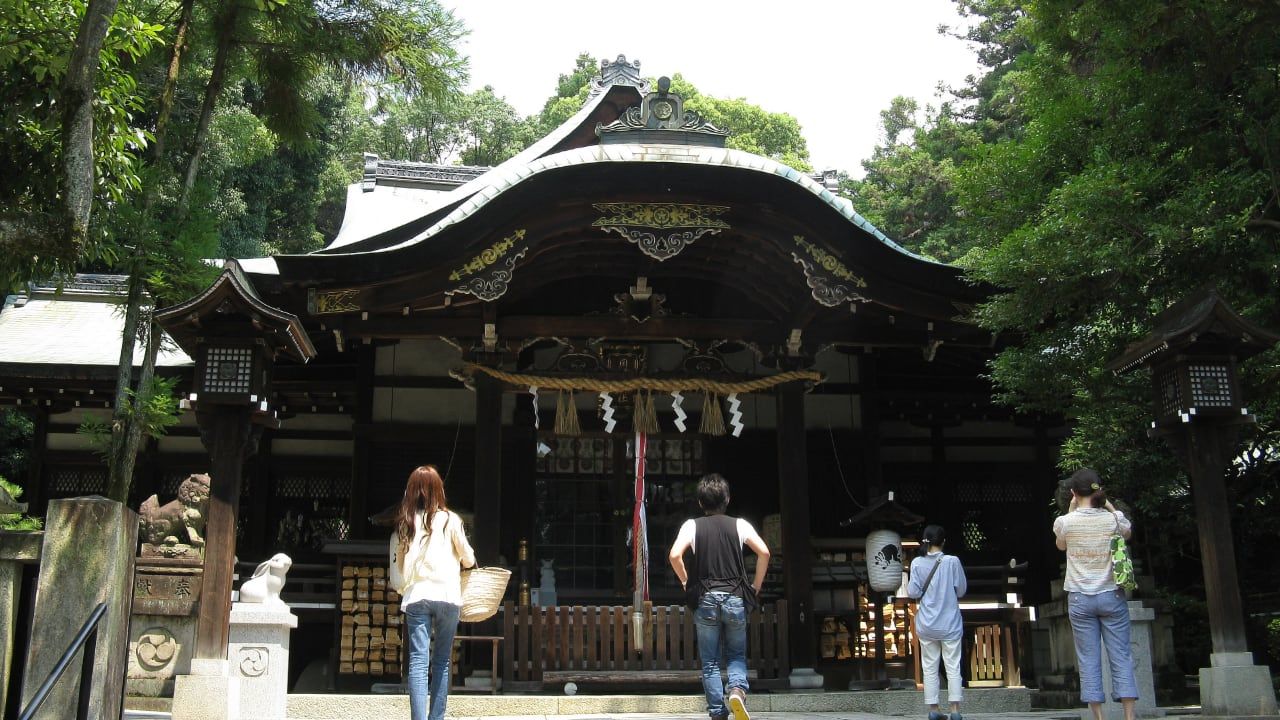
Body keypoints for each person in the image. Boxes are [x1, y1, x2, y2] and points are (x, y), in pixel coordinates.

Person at [668, 473, 770, 720]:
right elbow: (764, 552)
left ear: (701, 503)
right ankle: (736, 690)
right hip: (735, 595)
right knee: (735, 654)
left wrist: (685, 582)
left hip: (705, 597)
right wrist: (755, 586)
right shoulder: (740, 524)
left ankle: (717, 711)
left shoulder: (692, 526)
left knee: (710, 660)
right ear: (727, 499)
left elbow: (674, 556)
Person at [389, 465, 476, 720]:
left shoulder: (405, 523)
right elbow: (469, 559)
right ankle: (436, 717)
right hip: (448, 596)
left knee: (417, 662)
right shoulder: (451, 520)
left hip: (417, 595)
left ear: (412, 490)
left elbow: (400, 565)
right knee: (442, 661)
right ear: (439, 490)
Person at [1053, 468, 1137, 720]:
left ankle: (1099, 717)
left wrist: (1071, 510)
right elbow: (1127, 530)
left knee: (1088, 659)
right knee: (1121, 655)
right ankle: (1129, 716)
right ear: (1098, 491)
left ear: (1073, 493)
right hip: (1111, 593)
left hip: (1080, 596)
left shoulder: (1065, 522)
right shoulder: (1113, 521)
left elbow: (1061, 544)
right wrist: (1110, 506)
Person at [908, 524, 967, 720]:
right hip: (950, 623)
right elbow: (961, 590)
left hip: (927, 624)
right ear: (943, 541)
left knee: (930, 668)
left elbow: (913, 592)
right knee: (953, 667)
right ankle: (955, 710)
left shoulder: (916, 563)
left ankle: (934, 709)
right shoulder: (952, 561)